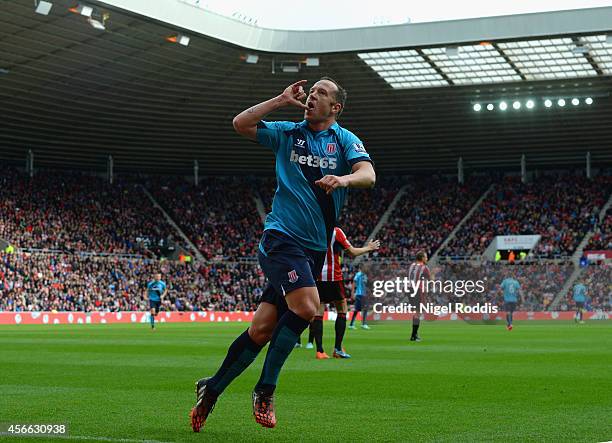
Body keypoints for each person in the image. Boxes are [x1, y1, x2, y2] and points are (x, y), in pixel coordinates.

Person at [189, 77, 375, 431]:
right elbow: (241, 124)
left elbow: (368, 174)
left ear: (335, 108)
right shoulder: (288, 132)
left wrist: (344, 179)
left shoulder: (345, 140)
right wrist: (279, 99)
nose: (313, 95)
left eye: (322, 93)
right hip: (281, 238)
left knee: (260, 330)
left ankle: (211, 389)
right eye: (312, 90)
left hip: (314, 248)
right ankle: (265, 390)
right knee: (307, 307)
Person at [312, 228, 380, 359]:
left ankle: (320, 351)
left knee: (318, 312)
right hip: (334, 276)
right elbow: (353, 252)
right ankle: (337, 349)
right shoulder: (336, 231)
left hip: (317, 276)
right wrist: (369, 248)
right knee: (342, 309)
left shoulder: (313, 229)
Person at [408, 250, 431, 342]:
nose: (427, 258)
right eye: (425, 257)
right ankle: (413, 336)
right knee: (418, 313)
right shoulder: (424, 267)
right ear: (422, 258)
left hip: (410, 289)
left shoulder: (411, 266)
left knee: (416, 312)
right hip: (418, 290)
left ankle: (415, 334)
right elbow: (429, 279)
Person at [349, 264, 370, 330]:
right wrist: (352, 293)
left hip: (364, 294)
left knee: (364, 309)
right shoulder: (358, 274)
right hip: (359, 294)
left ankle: (362, 324)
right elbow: (354, 283)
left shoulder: (365, 275)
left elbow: (365, 285)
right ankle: (354, 324)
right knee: (358, 309)